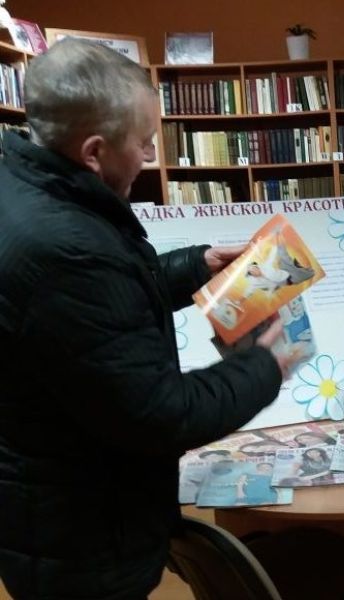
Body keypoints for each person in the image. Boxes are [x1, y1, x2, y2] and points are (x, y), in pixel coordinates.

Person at [0, 39, 300, 600]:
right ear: (94, 152)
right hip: (84, 542)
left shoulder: (26, 190)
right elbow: (162, 415)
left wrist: (195, 267)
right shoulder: (68, 250)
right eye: (142, 143)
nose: (149, 156)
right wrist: (265, 367)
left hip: (51, 512)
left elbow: (92, 313)